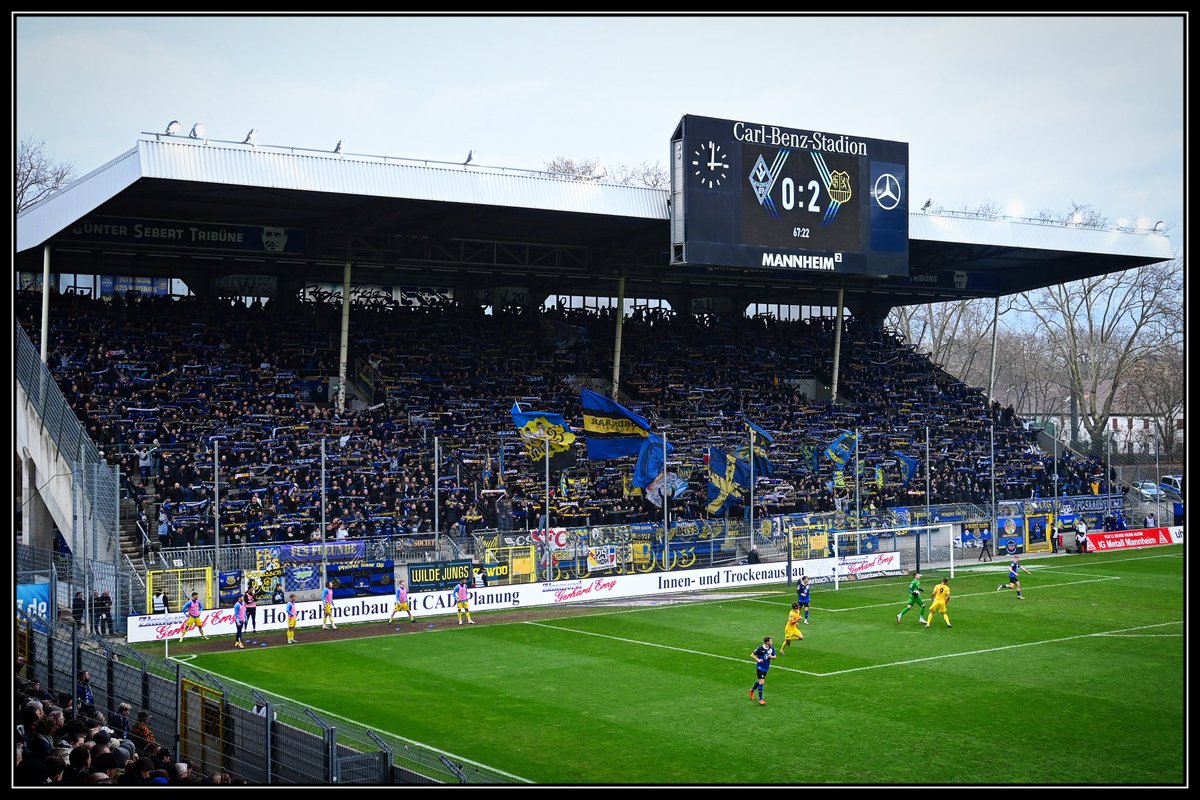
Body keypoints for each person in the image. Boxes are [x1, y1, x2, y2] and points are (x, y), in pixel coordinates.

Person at [749, 635, 776, 706]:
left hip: (766, 667)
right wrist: (758, 660)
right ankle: (761, 699)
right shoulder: (760, 648)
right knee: (761, 682)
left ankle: (752, 690)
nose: (772, 642)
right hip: (760, 667)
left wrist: (771, 657)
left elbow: (775, 657)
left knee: (759, 681)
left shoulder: (771, 648)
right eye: (771, 641)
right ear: (767, 642)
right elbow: (752, 655)